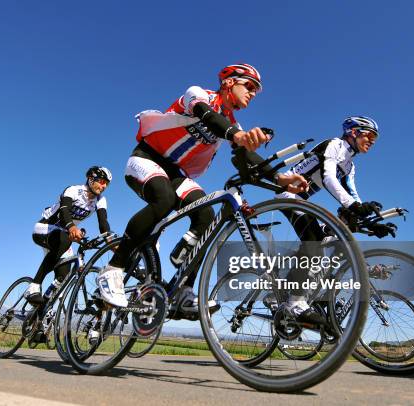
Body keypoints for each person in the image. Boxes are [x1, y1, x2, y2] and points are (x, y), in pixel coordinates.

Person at [96, 63, 308, 316]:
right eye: (249, 86)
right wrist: (236, 136)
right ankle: (112, 270)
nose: (252, 93)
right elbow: (207, 115)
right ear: (229, 83)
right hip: (146, 158)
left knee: (207, 216)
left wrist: (279, 178)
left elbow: (245, 158)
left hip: (176, 173)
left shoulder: (233, 124)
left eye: (256, 91)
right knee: (163, 200)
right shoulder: (199, 94)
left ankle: (184, 290)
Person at [277, 115, 390, 322]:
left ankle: (288, 286)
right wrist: (354, 206)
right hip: (287, 195)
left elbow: (354, 196)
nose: (372, 141)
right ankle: (294, 302)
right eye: (370, 135)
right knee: (313, 240)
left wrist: (373, 223)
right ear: (354, 132)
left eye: (375, 138)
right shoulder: (334, 145)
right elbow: (329, 178)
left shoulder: (350, 166)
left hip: (301, 201)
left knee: (329, 238)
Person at [24, 166, 113, 305]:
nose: (104, 186)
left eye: (107, 184)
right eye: (101, 181)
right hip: (44, 228)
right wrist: (72, 227)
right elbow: (64, 211)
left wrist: (111, 242)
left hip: (63, 235)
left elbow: (103, 224)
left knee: (63, 275)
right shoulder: (73, 190)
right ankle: (33, 287)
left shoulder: (101, 200)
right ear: (91, 179)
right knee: (65, 240)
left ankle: (42, 310)